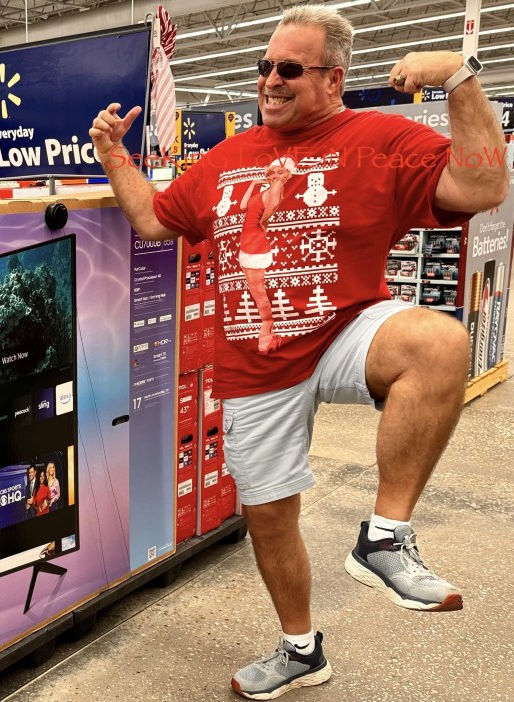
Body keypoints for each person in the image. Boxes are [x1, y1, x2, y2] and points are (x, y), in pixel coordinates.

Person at [90, 4, 509, 699]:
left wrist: (458, 77)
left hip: (346, 329)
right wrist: (113, 154)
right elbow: (154, 220)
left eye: (289, 68)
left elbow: (484, 184)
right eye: (265, 66)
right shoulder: (227, 158)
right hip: (255, 361)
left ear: (333, 79)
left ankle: (384, 537)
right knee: (269, 519)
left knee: (438, 341)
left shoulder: (377, 138)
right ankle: (300, 650)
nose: (270, 80)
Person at [239, 156, 295, 354]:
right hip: (248, 241)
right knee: (256, 290)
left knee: (258, 291)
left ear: (288, 174)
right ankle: (268, 329)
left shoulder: (277, 187)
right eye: (271, 173)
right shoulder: (266, 189)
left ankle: (266, 329)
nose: (274, 176)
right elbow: (243, 206)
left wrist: (263, 222)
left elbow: (272, 206)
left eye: (280, 172)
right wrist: (253, 184)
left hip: (254, 242)